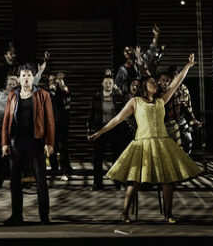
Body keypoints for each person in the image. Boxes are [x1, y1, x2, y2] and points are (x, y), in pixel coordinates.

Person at [89, 54, 202, 224]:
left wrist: (188, 66)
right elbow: (117, 119)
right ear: (144, 86)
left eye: (155, 82)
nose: (155, 84)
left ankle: (169, 213)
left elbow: (176, 83)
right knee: (135, 180)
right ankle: (125, 213)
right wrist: (100, 132)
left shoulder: (161, 101)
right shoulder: (135, 102)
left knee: (168, 181)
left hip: (162, 143)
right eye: (152, 82)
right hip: (142, 144)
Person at [0, 54, 47, 189]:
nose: (11, 86)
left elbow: (33, 83)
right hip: (3, 129)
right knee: (1, 156)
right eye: (9, 84)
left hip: (19, 129)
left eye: (14, 84)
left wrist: (40, 72)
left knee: (22, 156)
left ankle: (25, 180)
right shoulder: (0, 96)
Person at [1, 63, 55, 225]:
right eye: (23, 75)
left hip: (36, 142)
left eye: (29, 75)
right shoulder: (13, 95)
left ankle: (44, 216)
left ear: (33, 78)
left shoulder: (43, 95)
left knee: (41, 181)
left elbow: (50, 121)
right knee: (15, 181)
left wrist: (49, 143)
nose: (26, 78)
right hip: (17, 143)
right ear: (19, 78)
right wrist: (5, 143)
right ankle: (16, 216)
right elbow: (6, 121)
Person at [88, 69, 129, 190]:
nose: (108, 85)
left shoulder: (117, 97)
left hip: (114, 130)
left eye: (110, 83)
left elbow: (126, 103)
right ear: (102, 84)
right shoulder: (97, 96)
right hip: (99, 129)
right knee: (97, 157)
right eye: (106, 83)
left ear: (113, 84)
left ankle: (117, 182)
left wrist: (118, 90)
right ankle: (97, 183)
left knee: (117, 156)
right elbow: (91, 113)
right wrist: (89, 129)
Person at [47, 72, 72, 181]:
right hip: (50, 123)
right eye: (50, 80)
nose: (52, 82)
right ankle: (54, 169)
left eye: (54, 80)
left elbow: (67, 93)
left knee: (63, 147)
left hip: (61, 123)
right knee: (51, 145)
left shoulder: (61, 91)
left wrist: (61, 84)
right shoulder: (46, 93)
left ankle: (65, 170)